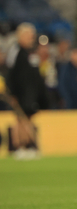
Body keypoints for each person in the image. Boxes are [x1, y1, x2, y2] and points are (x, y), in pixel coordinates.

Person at [5, 23, 47, 159]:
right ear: (21, 36)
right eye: (29, 35)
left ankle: (27, 146)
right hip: (20, 93)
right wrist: (12, 93)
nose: (32, 38)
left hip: (31, 94)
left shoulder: (30, 52)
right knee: (20, 120)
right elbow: (9, 73)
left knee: (27, 119)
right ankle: (18, 147)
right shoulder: (15, 50)